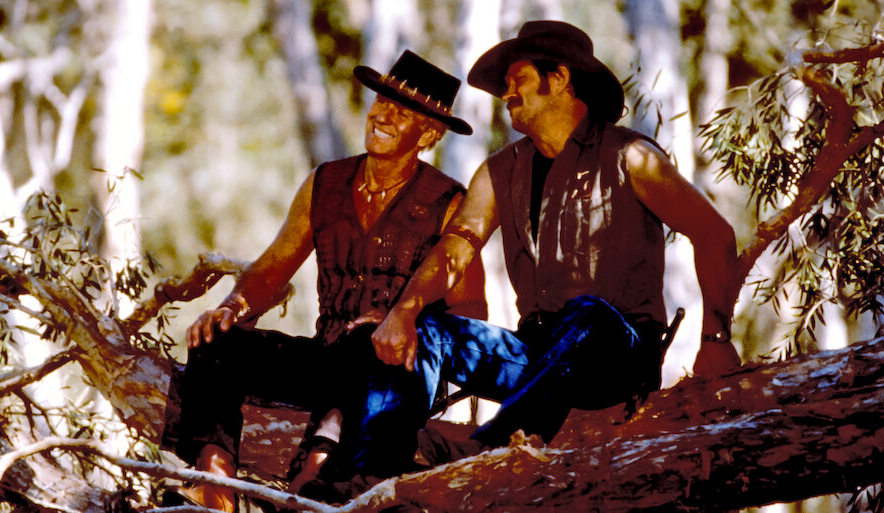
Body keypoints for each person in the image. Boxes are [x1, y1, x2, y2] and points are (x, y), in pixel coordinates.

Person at [370, 20, 741, 463]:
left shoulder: (630, 156)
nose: (507, 94)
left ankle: (488, 449)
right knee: (424, 329)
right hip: (536, 356)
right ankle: (377, 460)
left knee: (589, 316)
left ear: (560, 79)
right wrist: (405, 310)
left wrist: (716, 339)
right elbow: (456, 246)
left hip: (616, 360)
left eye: (518, 80)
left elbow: (715, 234)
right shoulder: (499, 171)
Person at [170, 50, 486, 511]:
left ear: (429, 134)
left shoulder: (449, 203)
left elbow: (472, 315)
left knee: (366, 345)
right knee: (216, 339)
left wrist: (408, 321)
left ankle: (310, 482)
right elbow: (272, 267)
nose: (382, 116)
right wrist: (232, 306)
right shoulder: (326, 182)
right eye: (381, 103)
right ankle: (216, 486)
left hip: (393, 375)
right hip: (326, 357)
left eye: (402, 113)